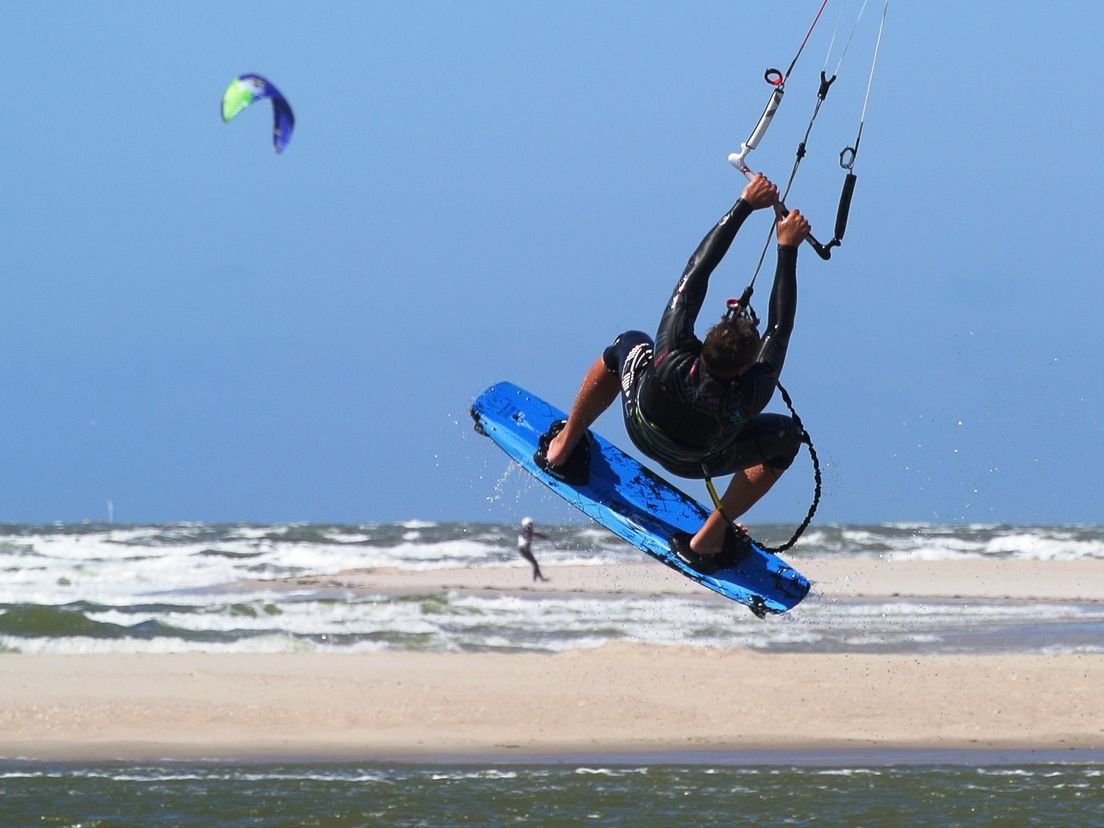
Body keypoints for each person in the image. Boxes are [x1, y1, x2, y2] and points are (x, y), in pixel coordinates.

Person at [534, 173, 810, 574]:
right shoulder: (752, 390)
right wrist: (788, 249)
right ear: (744, 367)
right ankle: (710, 537)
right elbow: (779, 328)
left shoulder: (672, 351)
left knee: (626, 343)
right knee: (787, 438)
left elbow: (696, 272)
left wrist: (745, 205)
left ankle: (562, 447)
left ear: (707, 339)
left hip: (640, 427)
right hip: (699, 461)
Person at [517, 517, 549, 581]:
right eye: (530, 524)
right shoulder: (527, 531)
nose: (531, 525)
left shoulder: (528, 531)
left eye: (531, 524)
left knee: (535, 564)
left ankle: (537, 578)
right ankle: (538, 579)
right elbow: (528, 536)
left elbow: (534, 534)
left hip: (525, 550)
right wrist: (542, 536)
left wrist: (543, 537)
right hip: (524, 550)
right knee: (535, 564)